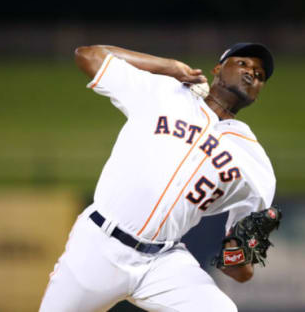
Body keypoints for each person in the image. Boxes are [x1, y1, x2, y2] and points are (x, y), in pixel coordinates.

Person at [39, 42, 276, 312]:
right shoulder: (163, 93)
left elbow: (240, 265)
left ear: (258, 93)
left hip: (162, 262)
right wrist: (168, 67)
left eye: (259, 75)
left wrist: (239, 256)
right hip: (99, 246)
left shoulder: (254, 162)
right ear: (218, 69)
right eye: (243, 63)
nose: (251, 73)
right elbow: (88, 55)